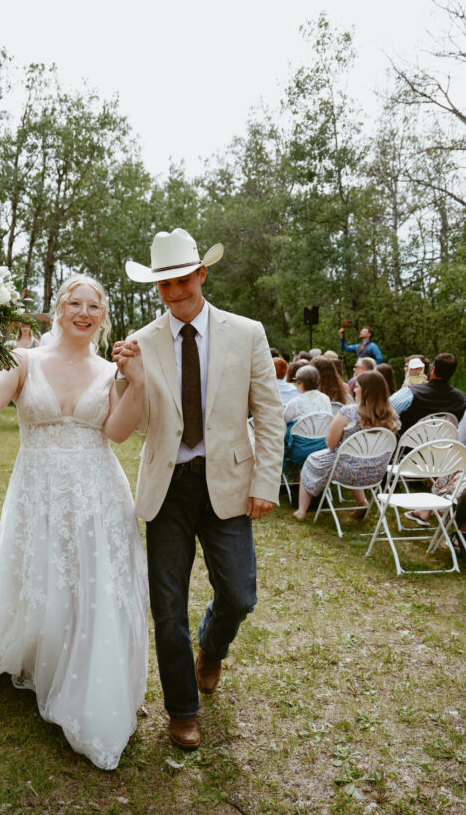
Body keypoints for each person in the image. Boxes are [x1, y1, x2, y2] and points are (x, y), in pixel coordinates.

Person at [0, 275, 149, 771]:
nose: (84, 312)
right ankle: (44, 650)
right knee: (43, 573)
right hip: (36, 490)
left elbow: (118, 434)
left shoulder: (111, 370)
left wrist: (138, 383)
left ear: (103, 315)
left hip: (97, 490)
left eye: (94, 306)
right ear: (57, 309)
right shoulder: (25, 361)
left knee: (90, 581)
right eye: (74, 303)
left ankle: (87, 667)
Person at [114, 228, 283, 752]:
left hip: (229, 481)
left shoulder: (247, 332)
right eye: (163, 286)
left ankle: (211, 649)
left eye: (181, 281)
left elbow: (269, 413)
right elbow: (138, 425)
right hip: (168, 486)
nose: (173, 293)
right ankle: (182, 710)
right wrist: (129, 379)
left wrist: (265, 482)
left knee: (239, 594)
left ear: (201, 275)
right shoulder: (141, 341)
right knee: (167, 606)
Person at [293, 370, 398, 521]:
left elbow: (330, 443)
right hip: (375, 471)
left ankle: (302, 510)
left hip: (346, 470)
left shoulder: (348, 412)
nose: (354, 389)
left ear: (366, 391)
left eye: (358, 386)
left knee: (312, 459)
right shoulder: (391, 415)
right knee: (354, 458)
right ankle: (361, 501)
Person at [390, 353, 466, 431]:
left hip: (410, 441)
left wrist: (402, 390)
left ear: (433, 369)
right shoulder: (461, 399)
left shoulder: (410, 393)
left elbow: (386, 409)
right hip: (443, 441)